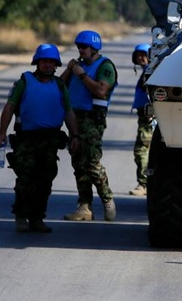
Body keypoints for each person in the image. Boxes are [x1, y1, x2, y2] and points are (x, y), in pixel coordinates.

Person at [0, 44, 80, 233]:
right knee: (26, 178)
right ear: (37, 62)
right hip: (27, 140)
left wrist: (75, 135)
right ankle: (20, 216)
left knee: (45, 180)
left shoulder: (59, 86)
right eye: (44, 61)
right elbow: (10, 107)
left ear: (56, 64)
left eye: (51, 62)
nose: (48, 65)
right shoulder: (24, 82)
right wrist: (2, 132)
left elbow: (68, 112)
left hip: (50, 141)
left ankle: (37, 218)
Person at [59, 30, 119, 221]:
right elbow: (58, 86)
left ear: (94, 48)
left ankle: (107, 199)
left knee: (92, 162)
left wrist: (81, 74)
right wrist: (69, 70)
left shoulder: (105, 66)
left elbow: (101, 91)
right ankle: (84, 206)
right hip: (75, 118)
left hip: (93, 119)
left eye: (83, 47)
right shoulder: (78, 66)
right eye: (78, 47)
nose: (80, 50)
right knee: (78, 162)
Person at [129, 43, 154, 196]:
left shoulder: (151, 73)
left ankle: (143, 183)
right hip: (144, 116)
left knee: (141, 151)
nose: (141, 58)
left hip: (148, 118)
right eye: (138, 55)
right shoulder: (148, 72)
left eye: (143, 55)